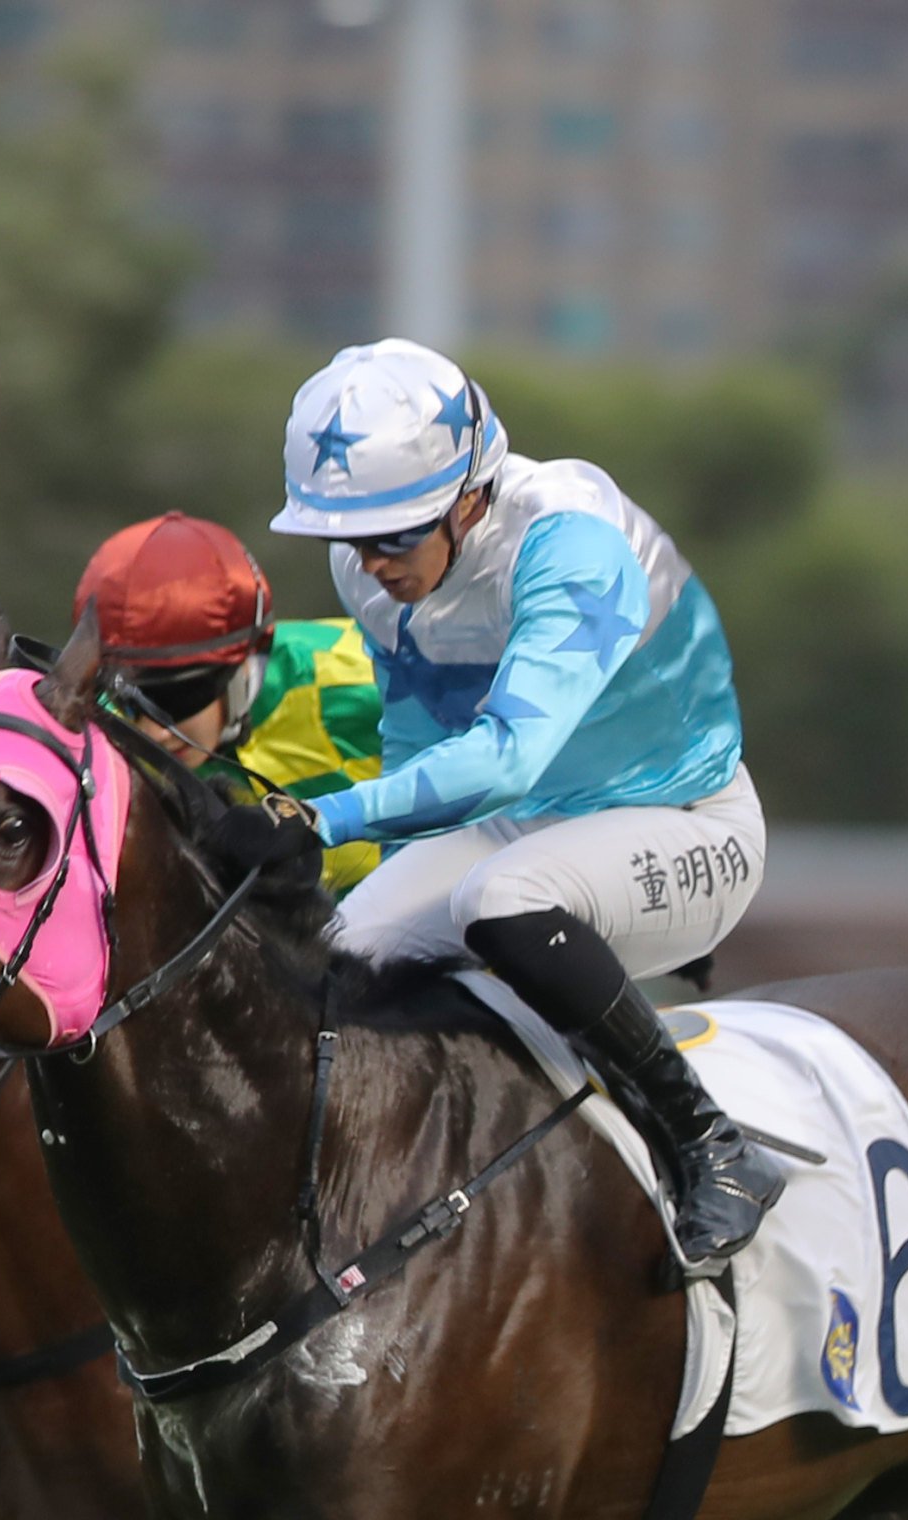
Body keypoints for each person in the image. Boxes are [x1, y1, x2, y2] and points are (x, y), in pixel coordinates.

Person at [262, 338, 779, 1277]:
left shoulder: (573, 545)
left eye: (393, 536)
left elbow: (505, 759)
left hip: (689, 821)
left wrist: (322, 819)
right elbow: (422, 753)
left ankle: (712, 1144)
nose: (371, 564)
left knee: (499, 900)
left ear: (469, 495)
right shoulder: (378, 576)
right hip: (530, 826)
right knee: (338, 967)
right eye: (351, 538)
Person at [73, 512, 386, 892]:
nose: (152, 730)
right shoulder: (102, 737)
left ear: (246, 666)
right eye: (129, 700)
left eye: (177, 698)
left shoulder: (354, 677)